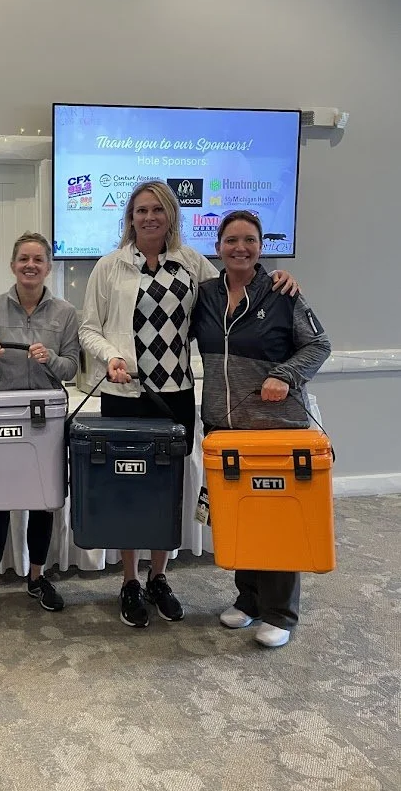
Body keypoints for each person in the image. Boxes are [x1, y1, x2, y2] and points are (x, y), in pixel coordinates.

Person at [79, 181, 298, 630]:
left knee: (166, 487)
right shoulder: (109, 266)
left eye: (158, 209)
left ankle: (159, 576)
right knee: (127, 488)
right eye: (141, 210)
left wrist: (280, 278)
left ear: (171, 215)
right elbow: (89, 329)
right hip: (124, 394)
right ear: (130, 217)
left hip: (174, 393)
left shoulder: (192, 264)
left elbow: (236, 287)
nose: (149, 217)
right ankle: (129, 581)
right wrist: (110, 356)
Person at [192, 210, 331, 647]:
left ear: (260, 246)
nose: (240, 248)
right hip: (224, 427)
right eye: (231, 240)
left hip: (276, 429)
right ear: (218, 247)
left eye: (249, 240)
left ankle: (280, 614)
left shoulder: (282, 293)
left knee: (277, 518)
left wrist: (285, 375)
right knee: (239, 517)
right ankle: (249, 601)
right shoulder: (206, 295)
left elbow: (319, 344)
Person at [0, 232, 79, 630]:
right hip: (0, 418)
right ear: (13, 264)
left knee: (43, 502)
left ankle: (37, 576)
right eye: (23, 259)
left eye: (38, 260)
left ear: (48, 267)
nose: (30, 265)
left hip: (46, 419)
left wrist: (51, 359)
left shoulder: (65, 312)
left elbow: (72, 368)